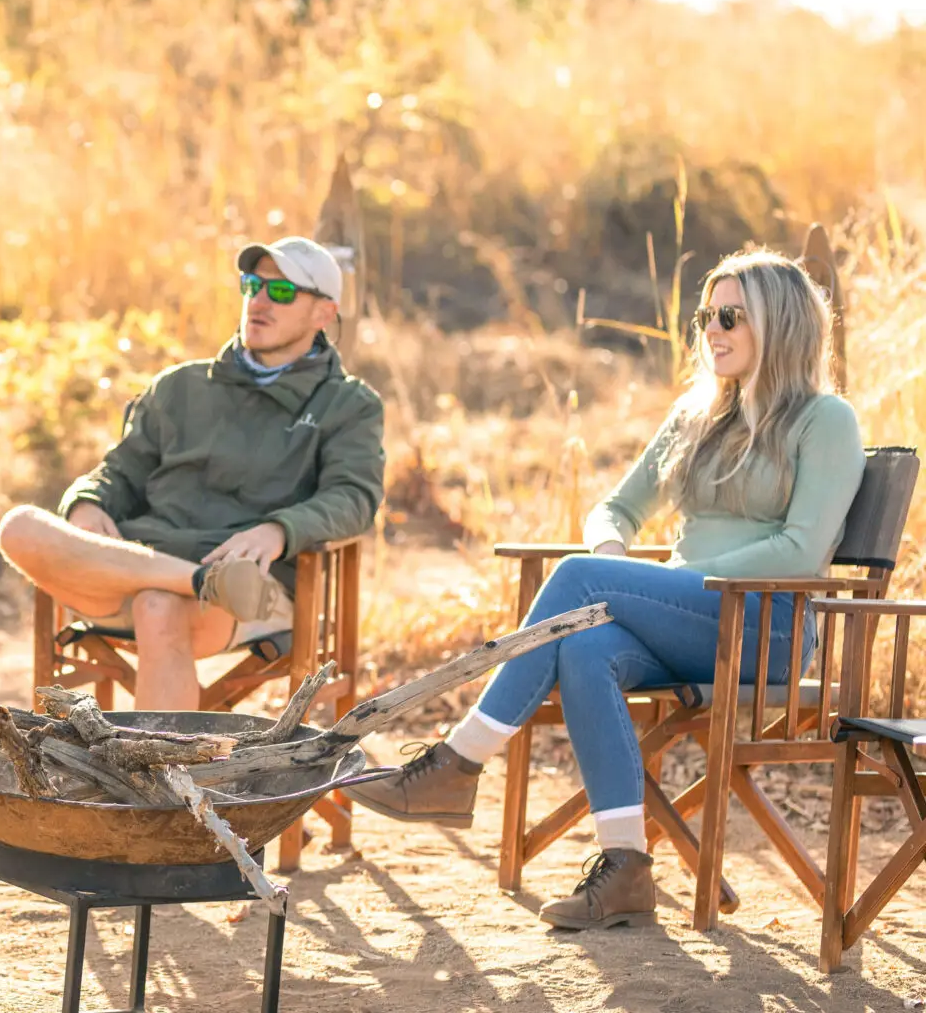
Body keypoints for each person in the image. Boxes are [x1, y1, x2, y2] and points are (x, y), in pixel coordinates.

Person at [346, 248, 863, 930]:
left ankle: (457, 762)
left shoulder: (825, 420)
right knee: (585, 650)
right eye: (706, 315)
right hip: (685, 620)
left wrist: (652, 581)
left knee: (579, 579)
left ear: (784, 325)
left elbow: (802, 551)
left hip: (763, 626)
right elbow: (613, 510)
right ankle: (625, 867)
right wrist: (617, 554)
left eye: (731, 316)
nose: (711, 329)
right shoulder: (696, 415)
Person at [0, 236, 386, 709]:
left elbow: (354, 498)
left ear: (323, 314)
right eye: (252, 284)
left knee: (158, 607)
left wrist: (280, 530)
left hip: (245, 589)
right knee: (18, 526)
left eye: (281, 292)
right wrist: (88, 502)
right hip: (132, 569)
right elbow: (120, 471)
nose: (259, 301)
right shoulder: (179, 386)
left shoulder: (347, 404)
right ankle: (196, 580)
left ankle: (149, 781)